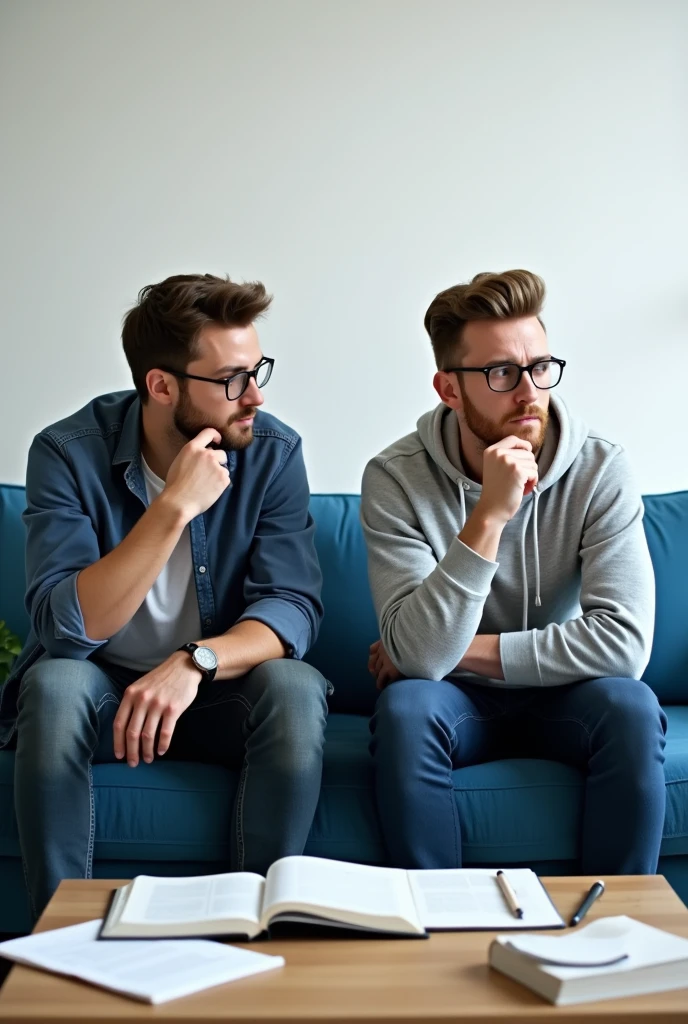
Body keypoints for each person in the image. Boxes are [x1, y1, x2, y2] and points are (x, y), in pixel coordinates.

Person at [4, 273, 328, 919]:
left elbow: (292, 606)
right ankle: (60, 937)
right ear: (161, 385)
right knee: (56, 684)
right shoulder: (66, 453)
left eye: (258, 369)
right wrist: (172, 508)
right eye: (233, 379)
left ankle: (254, 930)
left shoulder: (272, 451)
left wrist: (194, 661)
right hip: (99, 690)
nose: (255, 395)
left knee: (294, 688)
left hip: (213, 694)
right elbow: (67, 629)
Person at [361, 269, 666, 873]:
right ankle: (440, 933)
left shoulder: (600, 467)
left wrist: (458, 649)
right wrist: (489, 517)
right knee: (406, 711)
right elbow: (422, 665)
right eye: (501, 373)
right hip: (456, 704)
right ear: (449, 389)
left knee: (631, 706)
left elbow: (625, 646)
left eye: (540, 367)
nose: (529, 392)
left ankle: (617, 936)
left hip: (568, 695)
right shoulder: (395, 477)